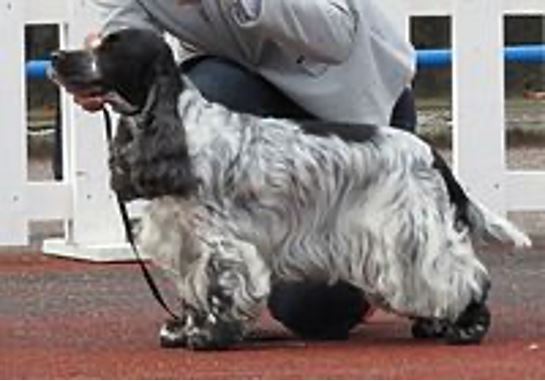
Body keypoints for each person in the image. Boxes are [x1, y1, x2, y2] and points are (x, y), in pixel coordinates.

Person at [77, 0, 417, 340]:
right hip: (242, 100)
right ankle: (216, 289)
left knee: (316, 313)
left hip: (353, 113)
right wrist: (107, 75)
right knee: (207, 88)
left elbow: (336, 35)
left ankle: (370, 265)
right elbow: (141, 57)